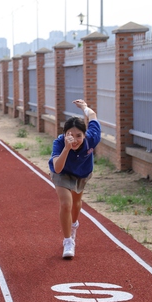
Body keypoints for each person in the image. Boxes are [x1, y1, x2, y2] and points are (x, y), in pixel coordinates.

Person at [49, 99, 101, 259]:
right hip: (62, 172)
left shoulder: (92, 138)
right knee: (66, 204)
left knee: (76, 204)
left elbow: (92, 115)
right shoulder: (59, 143)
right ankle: (68, 241)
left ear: (85, 135)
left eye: (79, 136)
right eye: (70, 135)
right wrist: (66, 147)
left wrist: (84, 107)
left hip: (82, 173)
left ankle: (74, 225)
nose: (75, 139)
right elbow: (57, 168)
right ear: (65, 135)